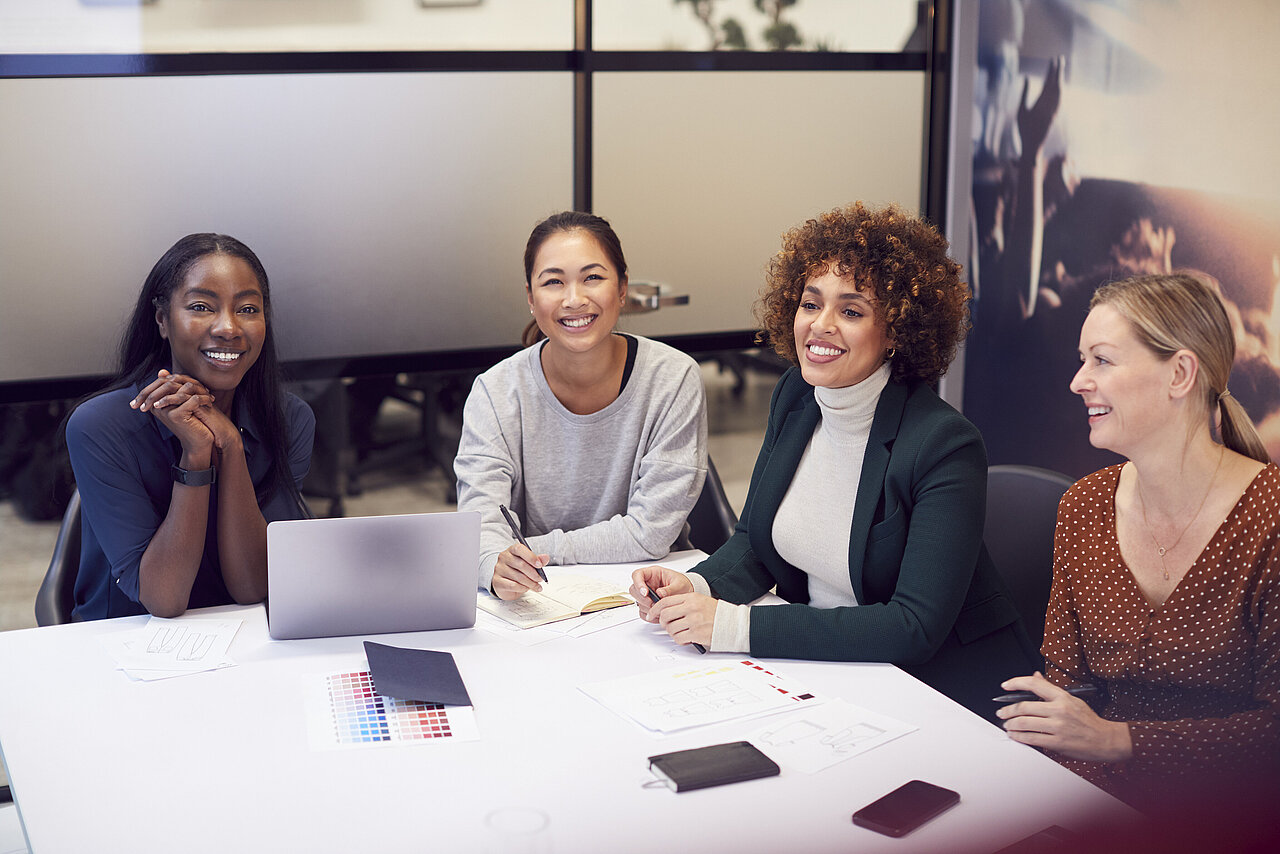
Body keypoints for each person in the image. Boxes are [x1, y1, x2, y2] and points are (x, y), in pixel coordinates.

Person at [631, 202, 1037, 721]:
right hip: (834, 669)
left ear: (896, 332)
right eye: (810, 303)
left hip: (948, 693)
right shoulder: (796, 396)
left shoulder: (943, 444)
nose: (820, 326)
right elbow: (756, 539)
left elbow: (913, 627)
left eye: (851, 311)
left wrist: (732, 626)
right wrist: (695, 586)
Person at [998, 272, 1279, 808]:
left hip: (1233, 815)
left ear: (1180, 374)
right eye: (1082, 360)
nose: (1078, 382)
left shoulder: (1270, 520)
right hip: (1092, 797)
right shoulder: (1084, 505)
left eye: (1101, 360)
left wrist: (1118, 741)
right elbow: (1065, 683)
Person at [455, 211, 707, 599]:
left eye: (592, 278)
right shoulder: (495, 390)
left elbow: (649, 533)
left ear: (622, 288)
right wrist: (493, 562)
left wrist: (530, 551)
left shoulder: (673, 378)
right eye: (553, 282)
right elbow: (480, 522)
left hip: (646, 590)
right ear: (531, 297)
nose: (574, 299)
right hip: (536, 598)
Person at [65, 234, 314, 620]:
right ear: (162, 320)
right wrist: (196, 454)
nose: (228, 327)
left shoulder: (290, 419)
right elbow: (164, 599)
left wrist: (230, 446)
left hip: (243, 634)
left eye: (248, 309)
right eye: (201, 307)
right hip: (125, 638)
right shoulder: (99, 426)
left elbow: (253, 586)